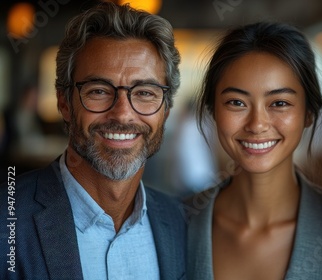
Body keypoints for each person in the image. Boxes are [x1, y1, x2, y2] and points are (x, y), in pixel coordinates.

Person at [0, 3, 185, 279]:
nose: (123, 113)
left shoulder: (184, 223)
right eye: (99, 91)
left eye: (145, 93)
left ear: (166, 109)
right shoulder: (7, 222)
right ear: (64, 102)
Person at [185, 21, 322, 280]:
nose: (257, 124)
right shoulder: (176, 223)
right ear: (213, 110)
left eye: (279, 103)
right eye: (236, 102)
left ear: (309, 113)